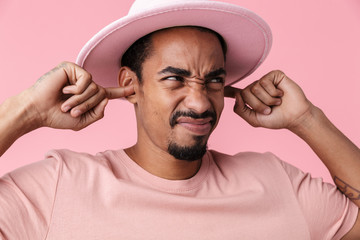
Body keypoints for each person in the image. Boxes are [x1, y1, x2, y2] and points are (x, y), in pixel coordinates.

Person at [1, 0, 360, 239]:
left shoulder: (275, 182)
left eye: (214, 80)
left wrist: (307, 119)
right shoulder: (60, 186)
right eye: (175, 78)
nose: (200, 102)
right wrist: (26, 110)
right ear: (130, 84)